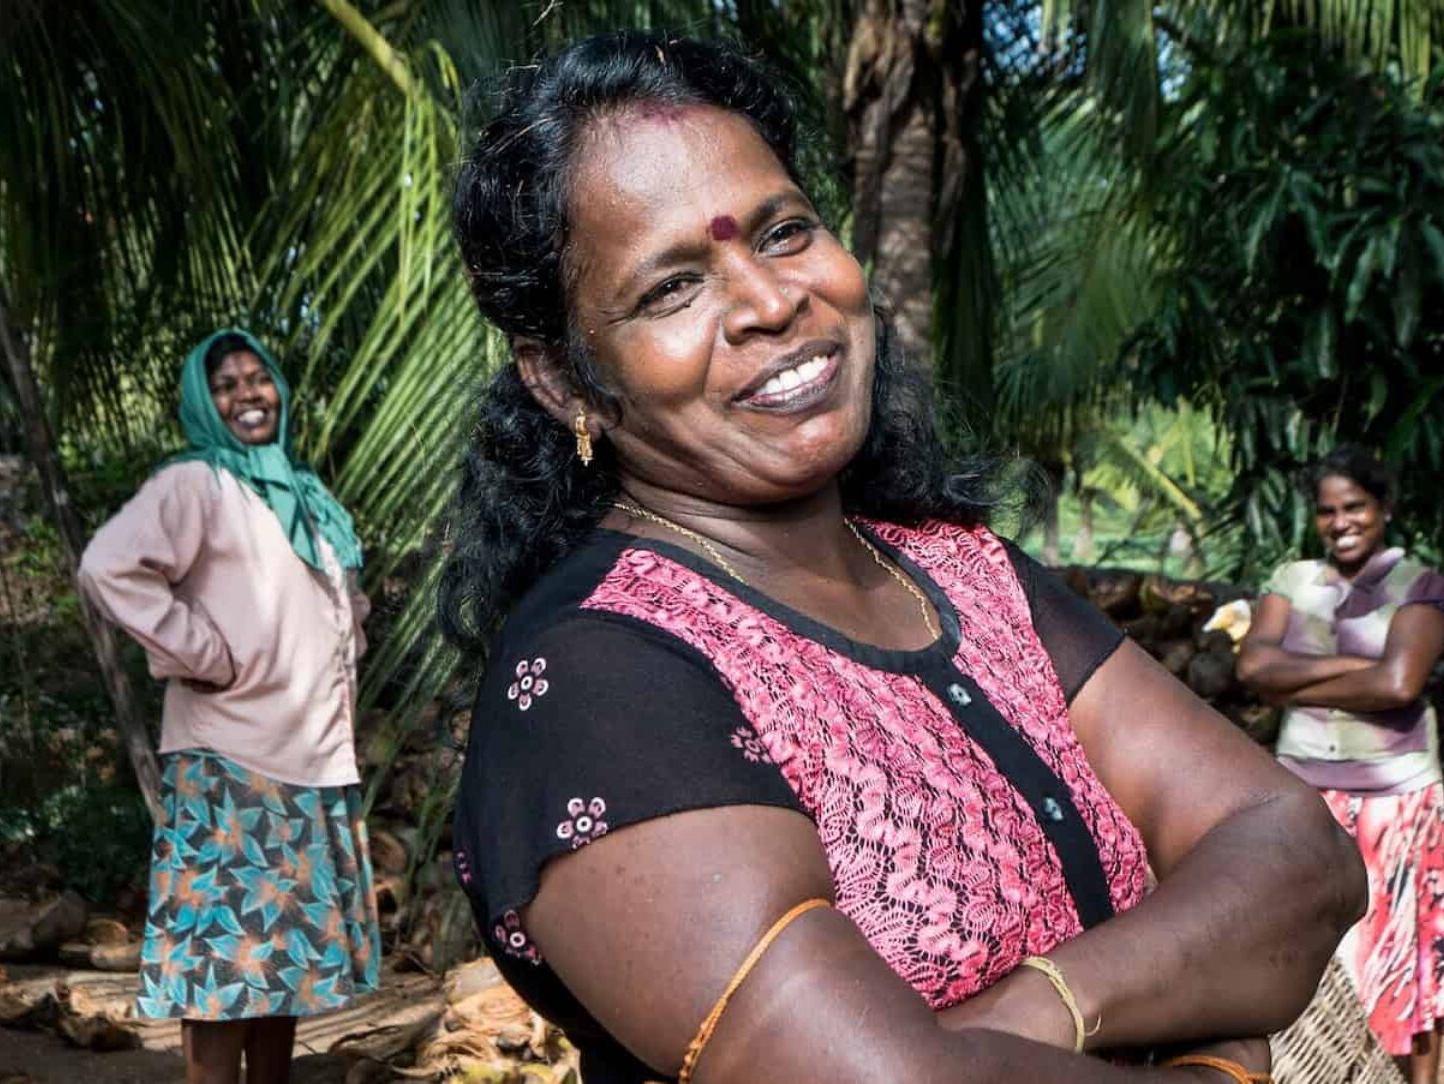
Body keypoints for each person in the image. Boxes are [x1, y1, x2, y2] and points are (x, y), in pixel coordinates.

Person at [441, 32, 1365, 1084]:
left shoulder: (965, 572)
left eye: (785, 231)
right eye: (671, 289)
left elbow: (1296, 847)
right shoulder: (596, 678)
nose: (770, 299)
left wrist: (1043, 1004)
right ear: (565, 380)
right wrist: (1218, 1064)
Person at [79, 330, 380, 1084]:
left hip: (308, 765)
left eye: (259, 378)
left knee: (281, 975)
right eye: (227, 385)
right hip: (228, 769)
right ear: (202, 404)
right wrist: (202, 651)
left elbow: (330, 609)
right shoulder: (196, 485)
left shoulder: (306, 497)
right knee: (220, 982)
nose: (249, 394)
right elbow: (107, 566)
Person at [1236, 446, 1444, 1084]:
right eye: (1328, 511)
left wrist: (1293, 681)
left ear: (1383, 509)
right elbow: (1252, 669)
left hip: (1395, 799)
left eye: (1356, 507)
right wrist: (1357, 669)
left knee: (1405, 955)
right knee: (1315, 954)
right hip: (1306, 795)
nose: (1342, 521)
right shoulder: (1293, 581)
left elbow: (1399, 686)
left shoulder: (1418, 583)